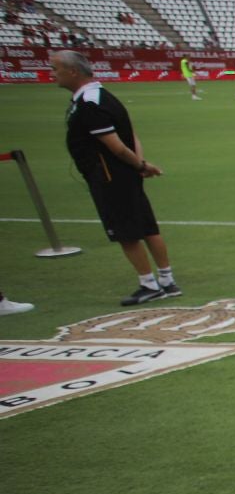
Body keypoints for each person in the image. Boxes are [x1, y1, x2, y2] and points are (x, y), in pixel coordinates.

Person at [50, 50, 181, 305]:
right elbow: (131, 136)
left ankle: (149, 284)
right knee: (147, 227)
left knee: (127, 233)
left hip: (110, 176)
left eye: (56, 69)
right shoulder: (102, 96)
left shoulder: (90, 103)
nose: (53, 74)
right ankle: (167, 280)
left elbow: (117, 146)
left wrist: (140, 164)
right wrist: (139, 164)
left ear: (73, 72)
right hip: (123, 173)